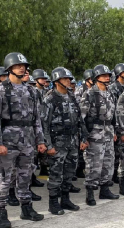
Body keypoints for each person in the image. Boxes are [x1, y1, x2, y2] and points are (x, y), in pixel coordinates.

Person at [0, 53, 47, 228]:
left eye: (24, 66)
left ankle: (26, 208)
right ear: (9, 68)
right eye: (18, 65)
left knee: (25, 176)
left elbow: (36, 119)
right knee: (5, 178)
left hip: (27, 141)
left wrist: (40, 140)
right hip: (8, 141)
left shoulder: (31, 91)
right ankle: (1, 211)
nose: (22, 68)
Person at [41, 67, 88, 215]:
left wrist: (83, 138)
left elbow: (80, 120)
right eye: (66, 79)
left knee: (69, 172)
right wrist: (48, 145)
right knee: (56, 173)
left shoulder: (72, 97)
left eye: (69, 78)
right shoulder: (50, 99)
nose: (69, 81)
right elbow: (44, 125)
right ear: (57, 81)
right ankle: (53, 202)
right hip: (57, 143)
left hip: (72, 142)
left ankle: (65, 199)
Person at [80, 64, 119, 206]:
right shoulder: (89, 94)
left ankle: (105, 189)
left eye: (108, 75)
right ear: (97, 78)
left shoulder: (110, 93)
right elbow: (82, 118)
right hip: (94, 134)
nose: (107, 77)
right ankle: (90, 193)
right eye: (104, 75)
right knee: (94, 164)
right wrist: (84, 137)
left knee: (108, 162)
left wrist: (113, 131)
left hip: (108, 133)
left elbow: (112, 116)